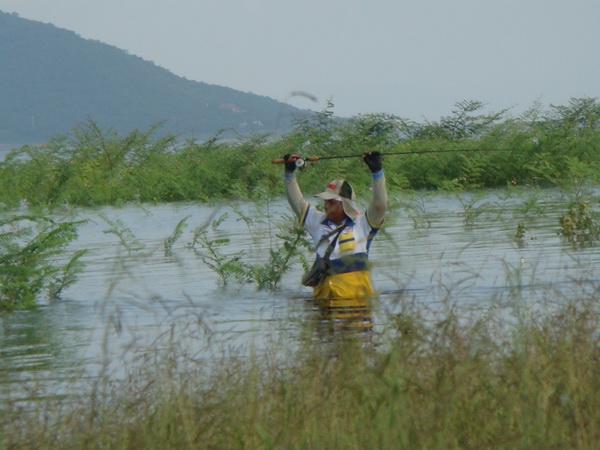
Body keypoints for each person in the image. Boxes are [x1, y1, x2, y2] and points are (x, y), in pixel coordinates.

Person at [282, 151, 387, 300]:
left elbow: (380, 205)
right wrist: (289, 173)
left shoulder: (364, 225)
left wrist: (377, 173)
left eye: (331, 202)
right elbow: (296, 201)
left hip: (357, 309)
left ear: (345, 204)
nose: (325, 206)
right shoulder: (316, 222)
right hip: (323, 310)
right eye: (325, 201)